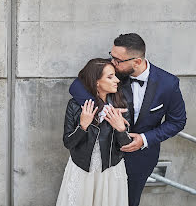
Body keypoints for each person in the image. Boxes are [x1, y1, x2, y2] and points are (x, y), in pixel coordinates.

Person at [69, 33, 187, 206]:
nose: (113, 62)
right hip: (106, 154)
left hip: (140, 158)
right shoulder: (111, 72)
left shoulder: (168, 84)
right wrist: (103, 111)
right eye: (112, 56)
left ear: (137, 61)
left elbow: (177, 121)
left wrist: (145, 139)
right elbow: (76, 86)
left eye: (118, 60)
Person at [56, 58, 133, 206]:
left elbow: (126, 146)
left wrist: (120, 129)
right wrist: (83, 126)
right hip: (82, 169)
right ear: (96, 82)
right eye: (110, 77)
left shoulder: (121, 104)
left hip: (110, 172)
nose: (117, 80)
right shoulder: (75, 105)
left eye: (115, 75)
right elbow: (68, 143)